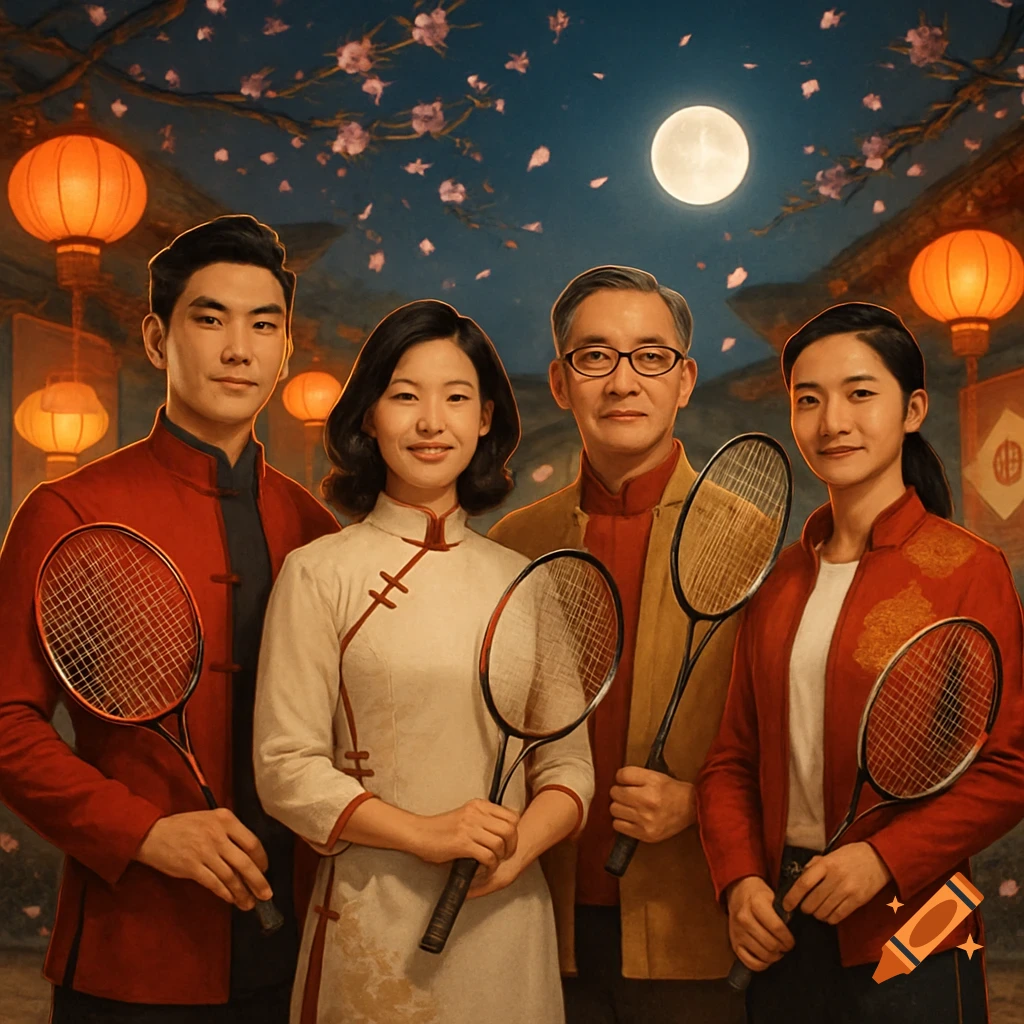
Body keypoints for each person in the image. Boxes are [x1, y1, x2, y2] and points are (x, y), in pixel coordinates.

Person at [0, 215, 339, 1023]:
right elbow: (7, 719)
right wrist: (144, 832)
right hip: (132, 950)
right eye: (209, 317)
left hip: (299, 949)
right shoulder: (68, 510)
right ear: (157, 338)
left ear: (286, 348)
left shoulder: (317, 532)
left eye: (265, 325)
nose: (239, 348)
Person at [252, 299, 594, 1024]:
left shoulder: (525, 580)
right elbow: (285, 766)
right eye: (404, 396)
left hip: (508, 924)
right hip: (372, 918)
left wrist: (518, 847)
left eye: (457, 398)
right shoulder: (319, 573)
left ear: (487, 418)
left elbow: (568, 767)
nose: (431, 422)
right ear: (369, 417)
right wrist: (425, 832)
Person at [697, 302, 1024, 1024]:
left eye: (859, 393)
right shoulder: (778, 578)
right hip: (782, 922)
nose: (832, 421)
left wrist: (883, 859)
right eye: (807, 400)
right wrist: (741, 881)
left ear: (912, 409)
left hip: (921, 927)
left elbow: (1010, 766)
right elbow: (731, 759)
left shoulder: (968, 569)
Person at [488, 266, 746, 1023]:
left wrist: (699, 805)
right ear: (562, 383)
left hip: (690, 924)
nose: (624, 381)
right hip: (536, 917)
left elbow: (788, 743)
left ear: (685, 379)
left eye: (651, 356)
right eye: (595, 356)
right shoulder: (514, 542)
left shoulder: (747, 538)